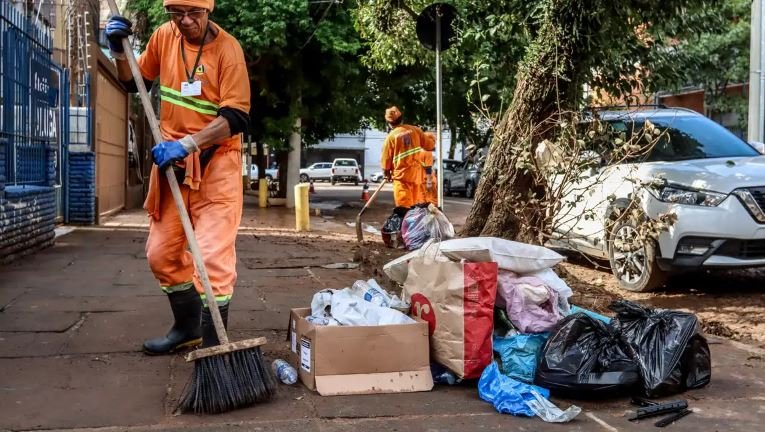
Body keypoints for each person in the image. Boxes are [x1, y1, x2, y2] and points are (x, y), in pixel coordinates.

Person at [105, 0, 250, 355]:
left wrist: (187, 144)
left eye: (194, 14)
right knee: (161, 255)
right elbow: (133, 84)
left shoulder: (228, 50)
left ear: (208, 11)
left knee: (212, 258)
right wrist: (119, 50)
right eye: (177, 14)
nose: (185, 22)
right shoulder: (163, 37)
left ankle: (215, 350)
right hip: (175, 168)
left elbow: (235, 117)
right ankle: (187, 328)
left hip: (217, 165)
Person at [381, 106, 436, 217]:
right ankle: (415, 231)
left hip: (401, 179)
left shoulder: (390, 138)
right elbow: (430, 145)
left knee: (403, 209)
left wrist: (386, 173)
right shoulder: (415, 130)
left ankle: (404, 232)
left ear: (389, 123)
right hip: (416, 178)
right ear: (402, 118)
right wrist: (433, 138)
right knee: (415, 207)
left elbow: (386, 160)